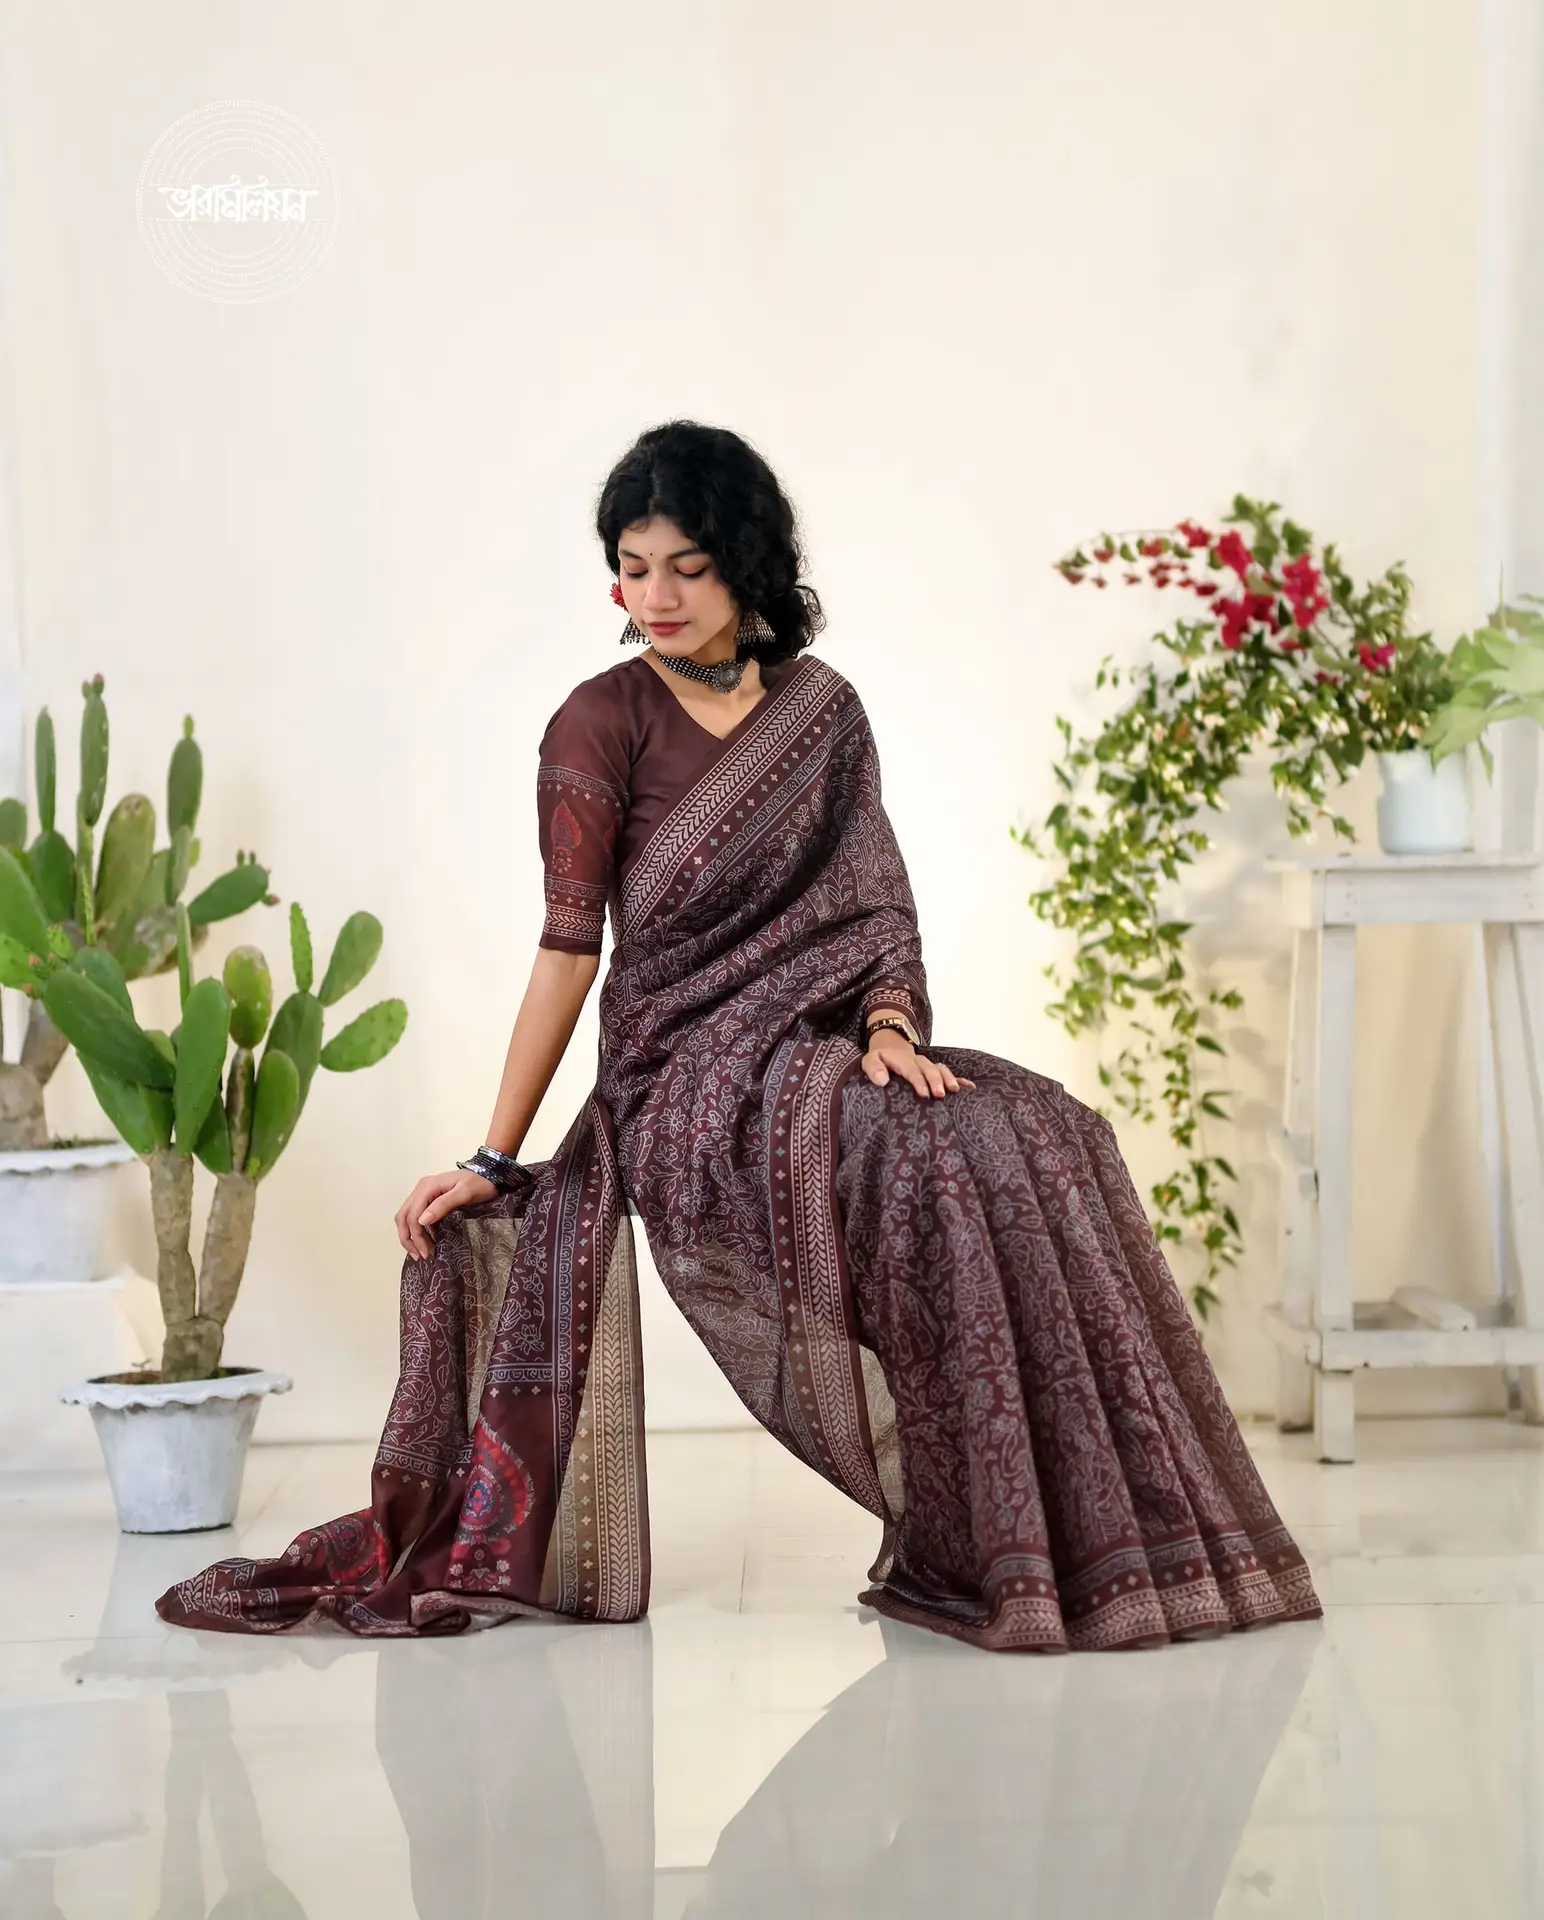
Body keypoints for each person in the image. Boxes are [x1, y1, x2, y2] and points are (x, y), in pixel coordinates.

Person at [157, 421, 1321, 1652]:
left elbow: (873, 905)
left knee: (1028, 1130)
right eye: (631, 566)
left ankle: (1072, 1536)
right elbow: (568, 950)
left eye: (687, 566)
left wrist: (887, 1024)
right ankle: (1001, 1540)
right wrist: (494, 1156)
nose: (654, 595)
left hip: (822, 1046)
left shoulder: (822, 710)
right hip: (684, 1085)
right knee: (928, 1159)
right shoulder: (596, 723)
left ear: (747, 564)